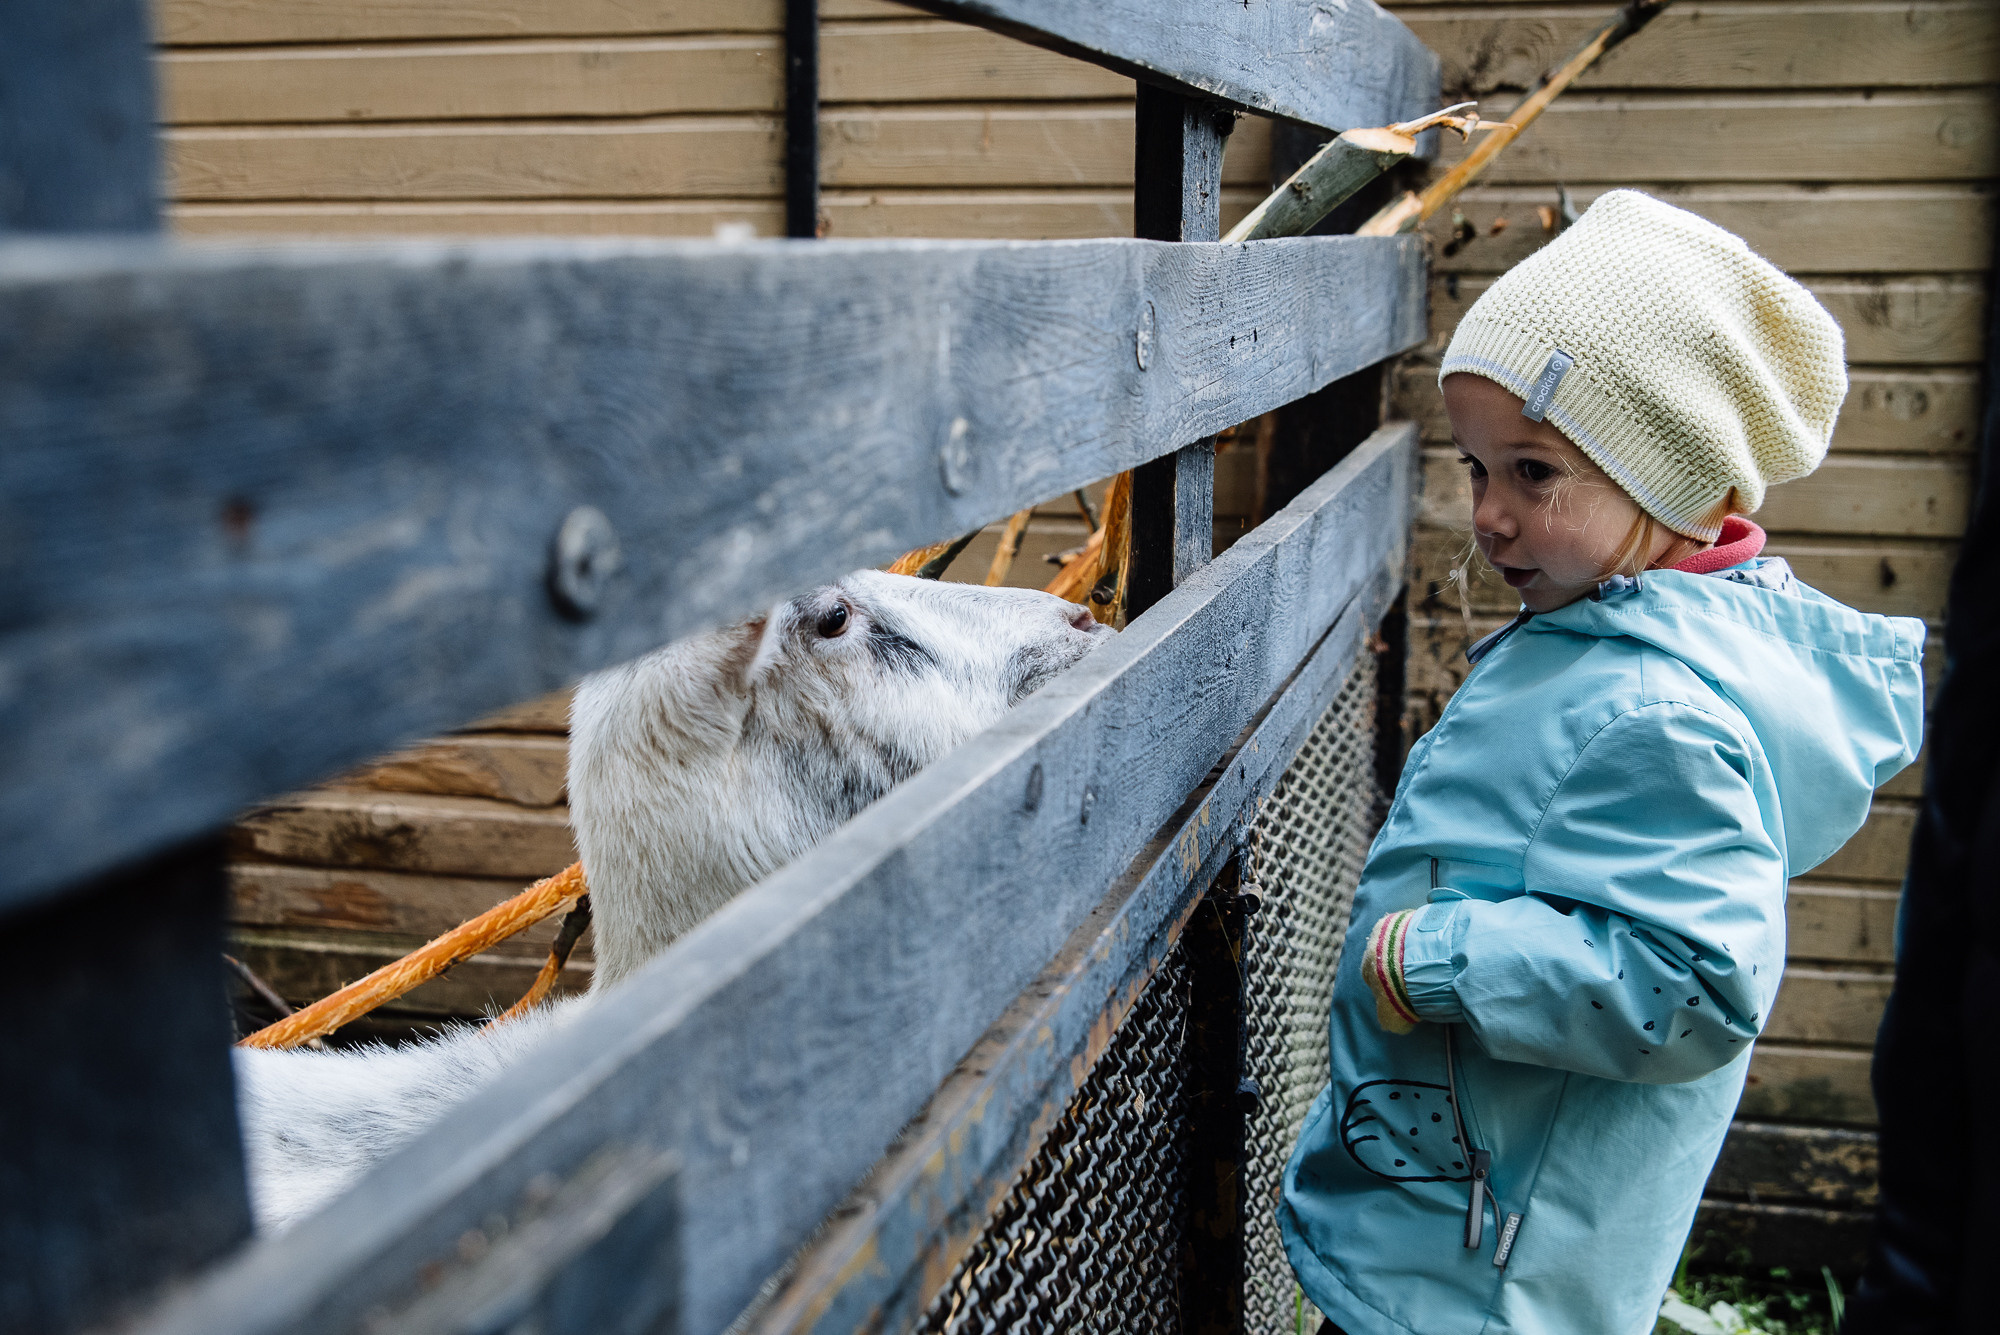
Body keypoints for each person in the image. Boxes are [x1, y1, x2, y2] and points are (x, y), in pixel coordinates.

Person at [1278, 191, 1927, 1335]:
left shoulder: (1658, 709)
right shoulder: (1601, 634)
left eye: (1532, 472)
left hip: (1485, 1270)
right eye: (1477, 470)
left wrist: (1442, 956)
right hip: (1458, 1215)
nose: (1485, 515)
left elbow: (1693, 981)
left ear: (1683, 489)